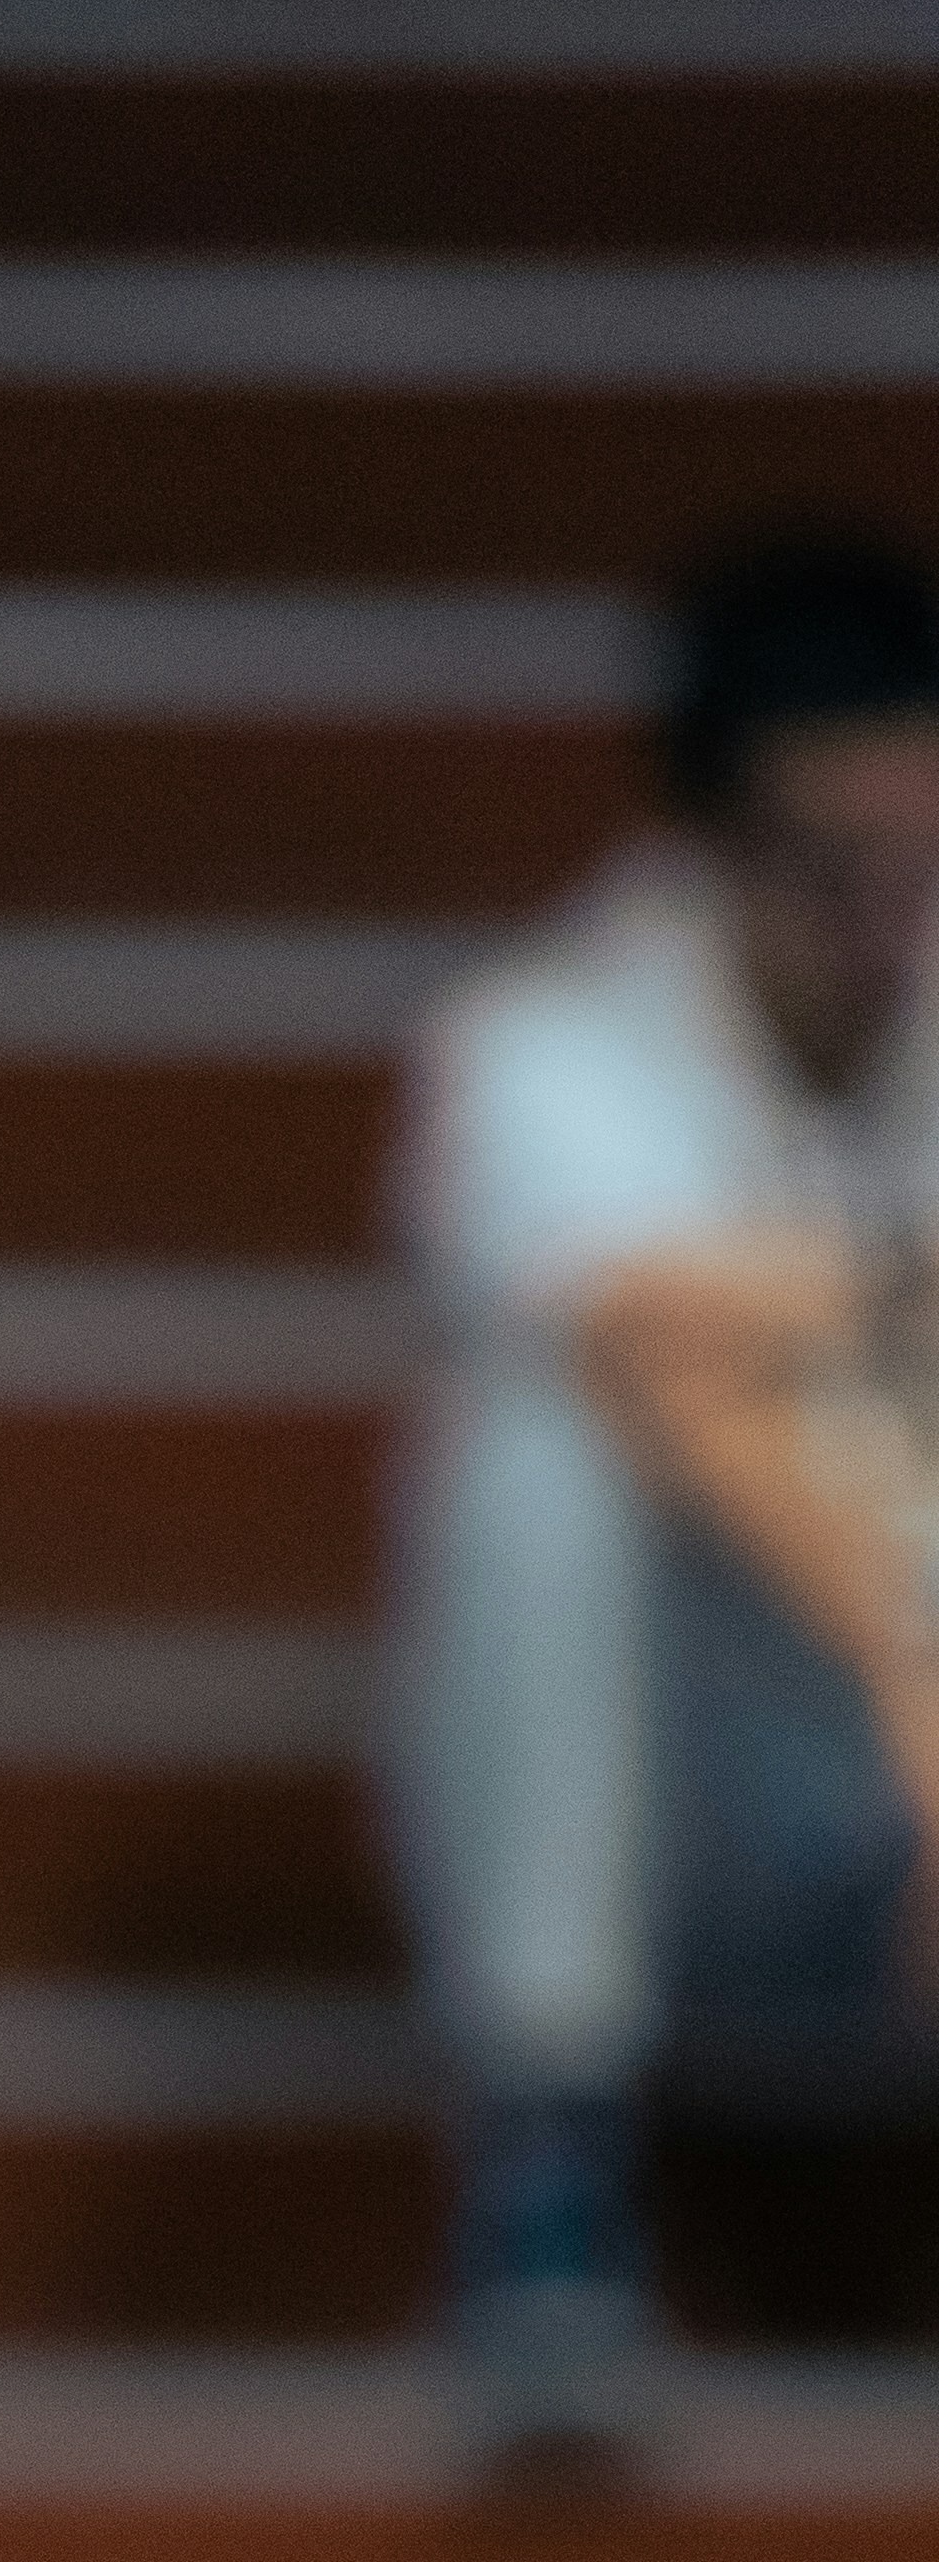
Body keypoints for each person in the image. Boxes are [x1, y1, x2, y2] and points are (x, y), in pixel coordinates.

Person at [392, 518, 939, 2435]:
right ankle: (547, 2148)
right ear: (704, 846)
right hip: (704, 1820)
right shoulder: (534, 1050)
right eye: (831, 868)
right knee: (535, 1453)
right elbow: (693, 1386)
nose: (888, 917)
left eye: (919, 854)